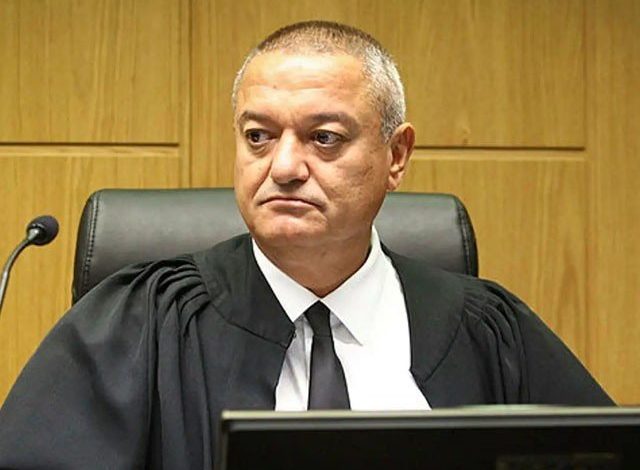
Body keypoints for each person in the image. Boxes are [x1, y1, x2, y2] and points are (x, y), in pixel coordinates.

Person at [0, 20, 612, 469]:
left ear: (396, 155)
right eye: (258, 136)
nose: (285, 167)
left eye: (324, 138)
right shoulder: (140, 323)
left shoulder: (489, 333)